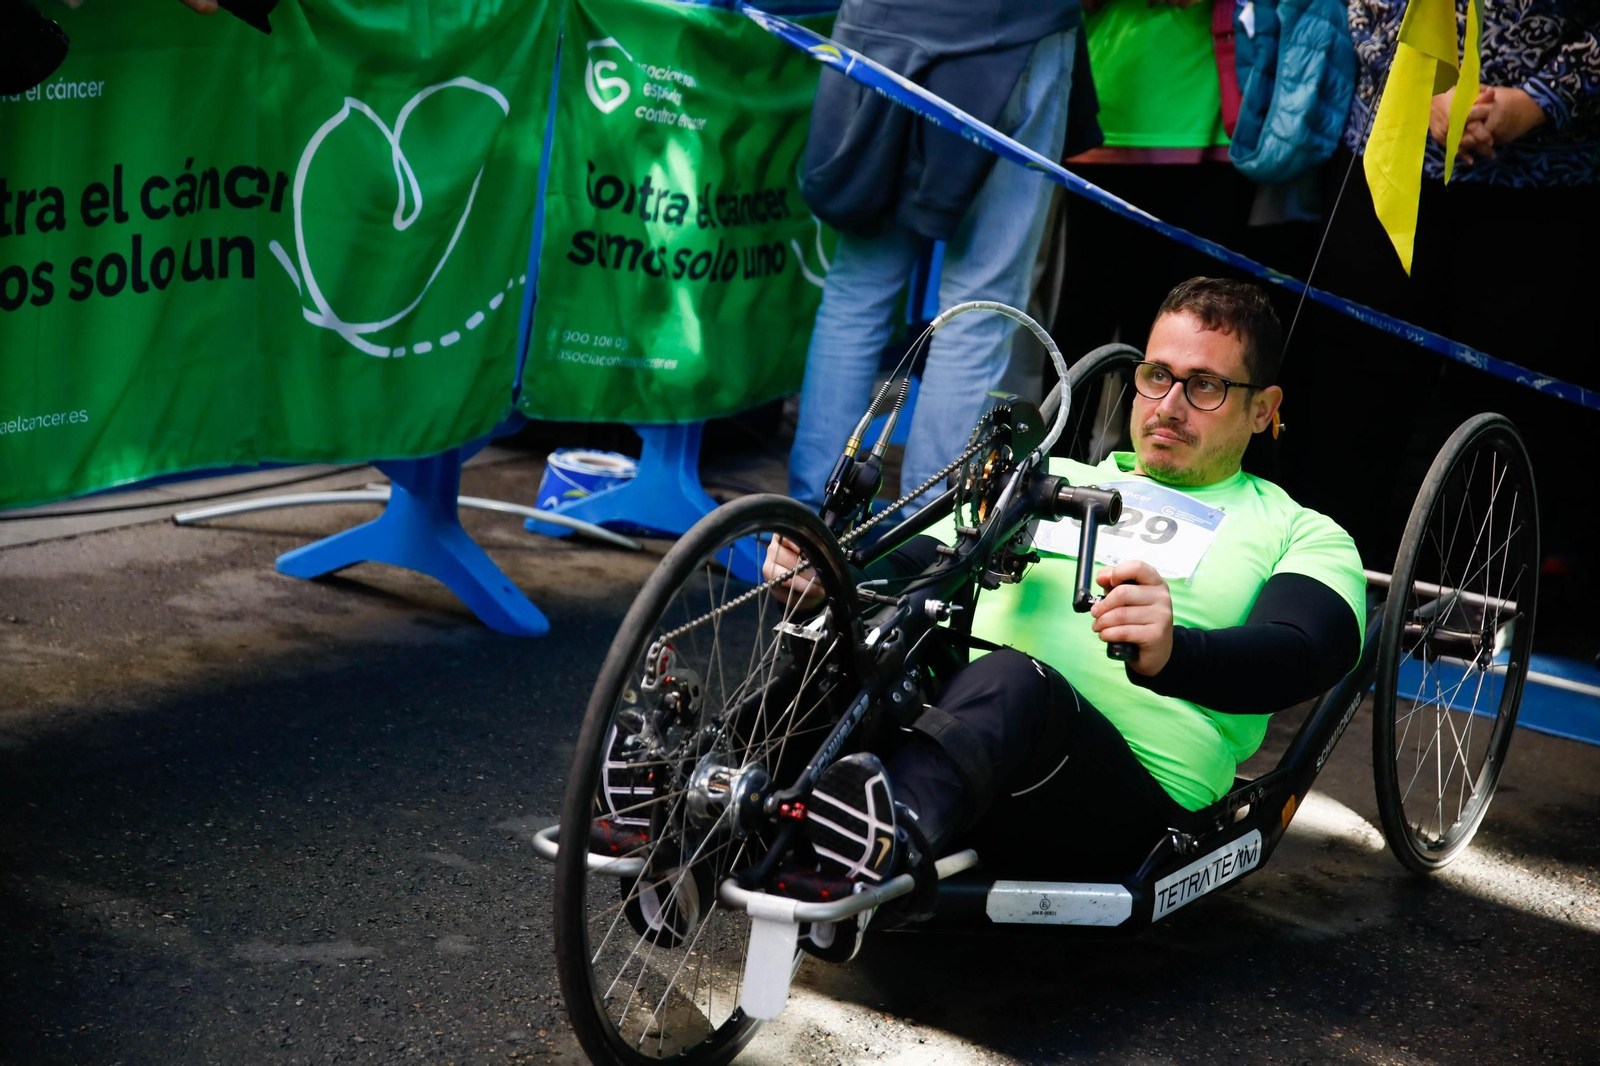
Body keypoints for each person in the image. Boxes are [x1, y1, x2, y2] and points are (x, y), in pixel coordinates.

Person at [764, 278, 1367, 954]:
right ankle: (703, 803)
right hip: (957, 736)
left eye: (1204, 386)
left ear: (1262, 410)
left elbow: (1304, 649)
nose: (1168, 406)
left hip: (1118, 794)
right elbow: (921, 564)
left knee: (1017, 680)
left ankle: (875, 852)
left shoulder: (1298, 530)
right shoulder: (1054, 475)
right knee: (858, 643)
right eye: (1157, 376)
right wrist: (831, 578)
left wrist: (1176, 652)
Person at [787, 0, 1081, 520]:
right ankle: (922, 535)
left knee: (857, 291)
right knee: (979, 306)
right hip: (1011, 32)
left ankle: (808, 526)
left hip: (881, 28)